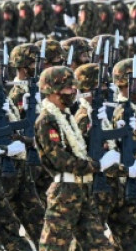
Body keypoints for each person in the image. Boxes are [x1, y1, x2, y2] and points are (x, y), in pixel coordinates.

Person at [34, 65, 116, 251]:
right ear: (52, 90)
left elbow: (78, 148)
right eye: (67, 88)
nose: (73, 92)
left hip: (82, 189)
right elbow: (61, 160)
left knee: (99, 245)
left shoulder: (66, 116)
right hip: (65, 191)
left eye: (74, 88)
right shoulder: (47, 120)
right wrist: (97, 165)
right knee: (54, 246)